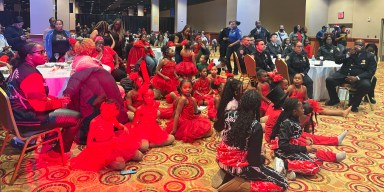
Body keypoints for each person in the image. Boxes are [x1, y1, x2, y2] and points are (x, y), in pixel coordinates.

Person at [6, 42, 81, 160]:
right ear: (29, 56)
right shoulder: (30, 75)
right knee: (76, 118)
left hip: (16, 116)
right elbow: (41, 106)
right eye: (41, 52)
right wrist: (61, 102)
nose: (45, 55)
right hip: (26, 119)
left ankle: (48, 143)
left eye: (44, 51)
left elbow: (38, 96)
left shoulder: (21, 68)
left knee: (61, 108)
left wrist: (58, 100)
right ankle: (55, 153)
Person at [214, 90, 288, 191]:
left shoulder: (228, 113)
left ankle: (232, 177)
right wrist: (262, 158)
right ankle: (242, 185)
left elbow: (217, 127)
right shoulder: (255, 126)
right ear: (257, 107)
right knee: (282, 183)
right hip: (238, 167)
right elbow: (253, 161)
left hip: (220, 158)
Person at [270, 98, 347, 179]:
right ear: (294, 111)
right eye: (301, 108)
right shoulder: (287, 123)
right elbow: (283, 145)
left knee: (319, 161)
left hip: (293, 149)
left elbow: (294, 139)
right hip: (284, 152)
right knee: (313, 168)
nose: (303, 109)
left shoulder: (294, 120)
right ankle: (285, 165)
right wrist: (304, 148)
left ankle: (287, 170)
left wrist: (305, 145)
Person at [70, 100, 143, 171]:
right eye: (103, 111)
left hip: (114, 143)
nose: (105, 113)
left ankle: (123, 156)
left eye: (111, 112)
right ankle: (109, 161)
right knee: (120, 165)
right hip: (101, 148)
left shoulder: (111, 117)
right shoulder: (94, 122)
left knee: (139, 156)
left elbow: (118, 125)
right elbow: (89, 144)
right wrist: (108, 142)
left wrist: (124, 127)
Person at [325, 39, 377, 112]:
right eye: (356, 44)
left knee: (366, 85)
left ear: (364, 46)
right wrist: (348, 55)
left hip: (359, 77)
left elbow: (371, 71)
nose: (357, 46)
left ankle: (354, 104)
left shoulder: (369, 56)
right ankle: (334, 99)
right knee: (329, 80)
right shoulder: (348, 51)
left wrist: (357, 78)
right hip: (344, 75)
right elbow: (337, 61)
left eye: (360, 45)